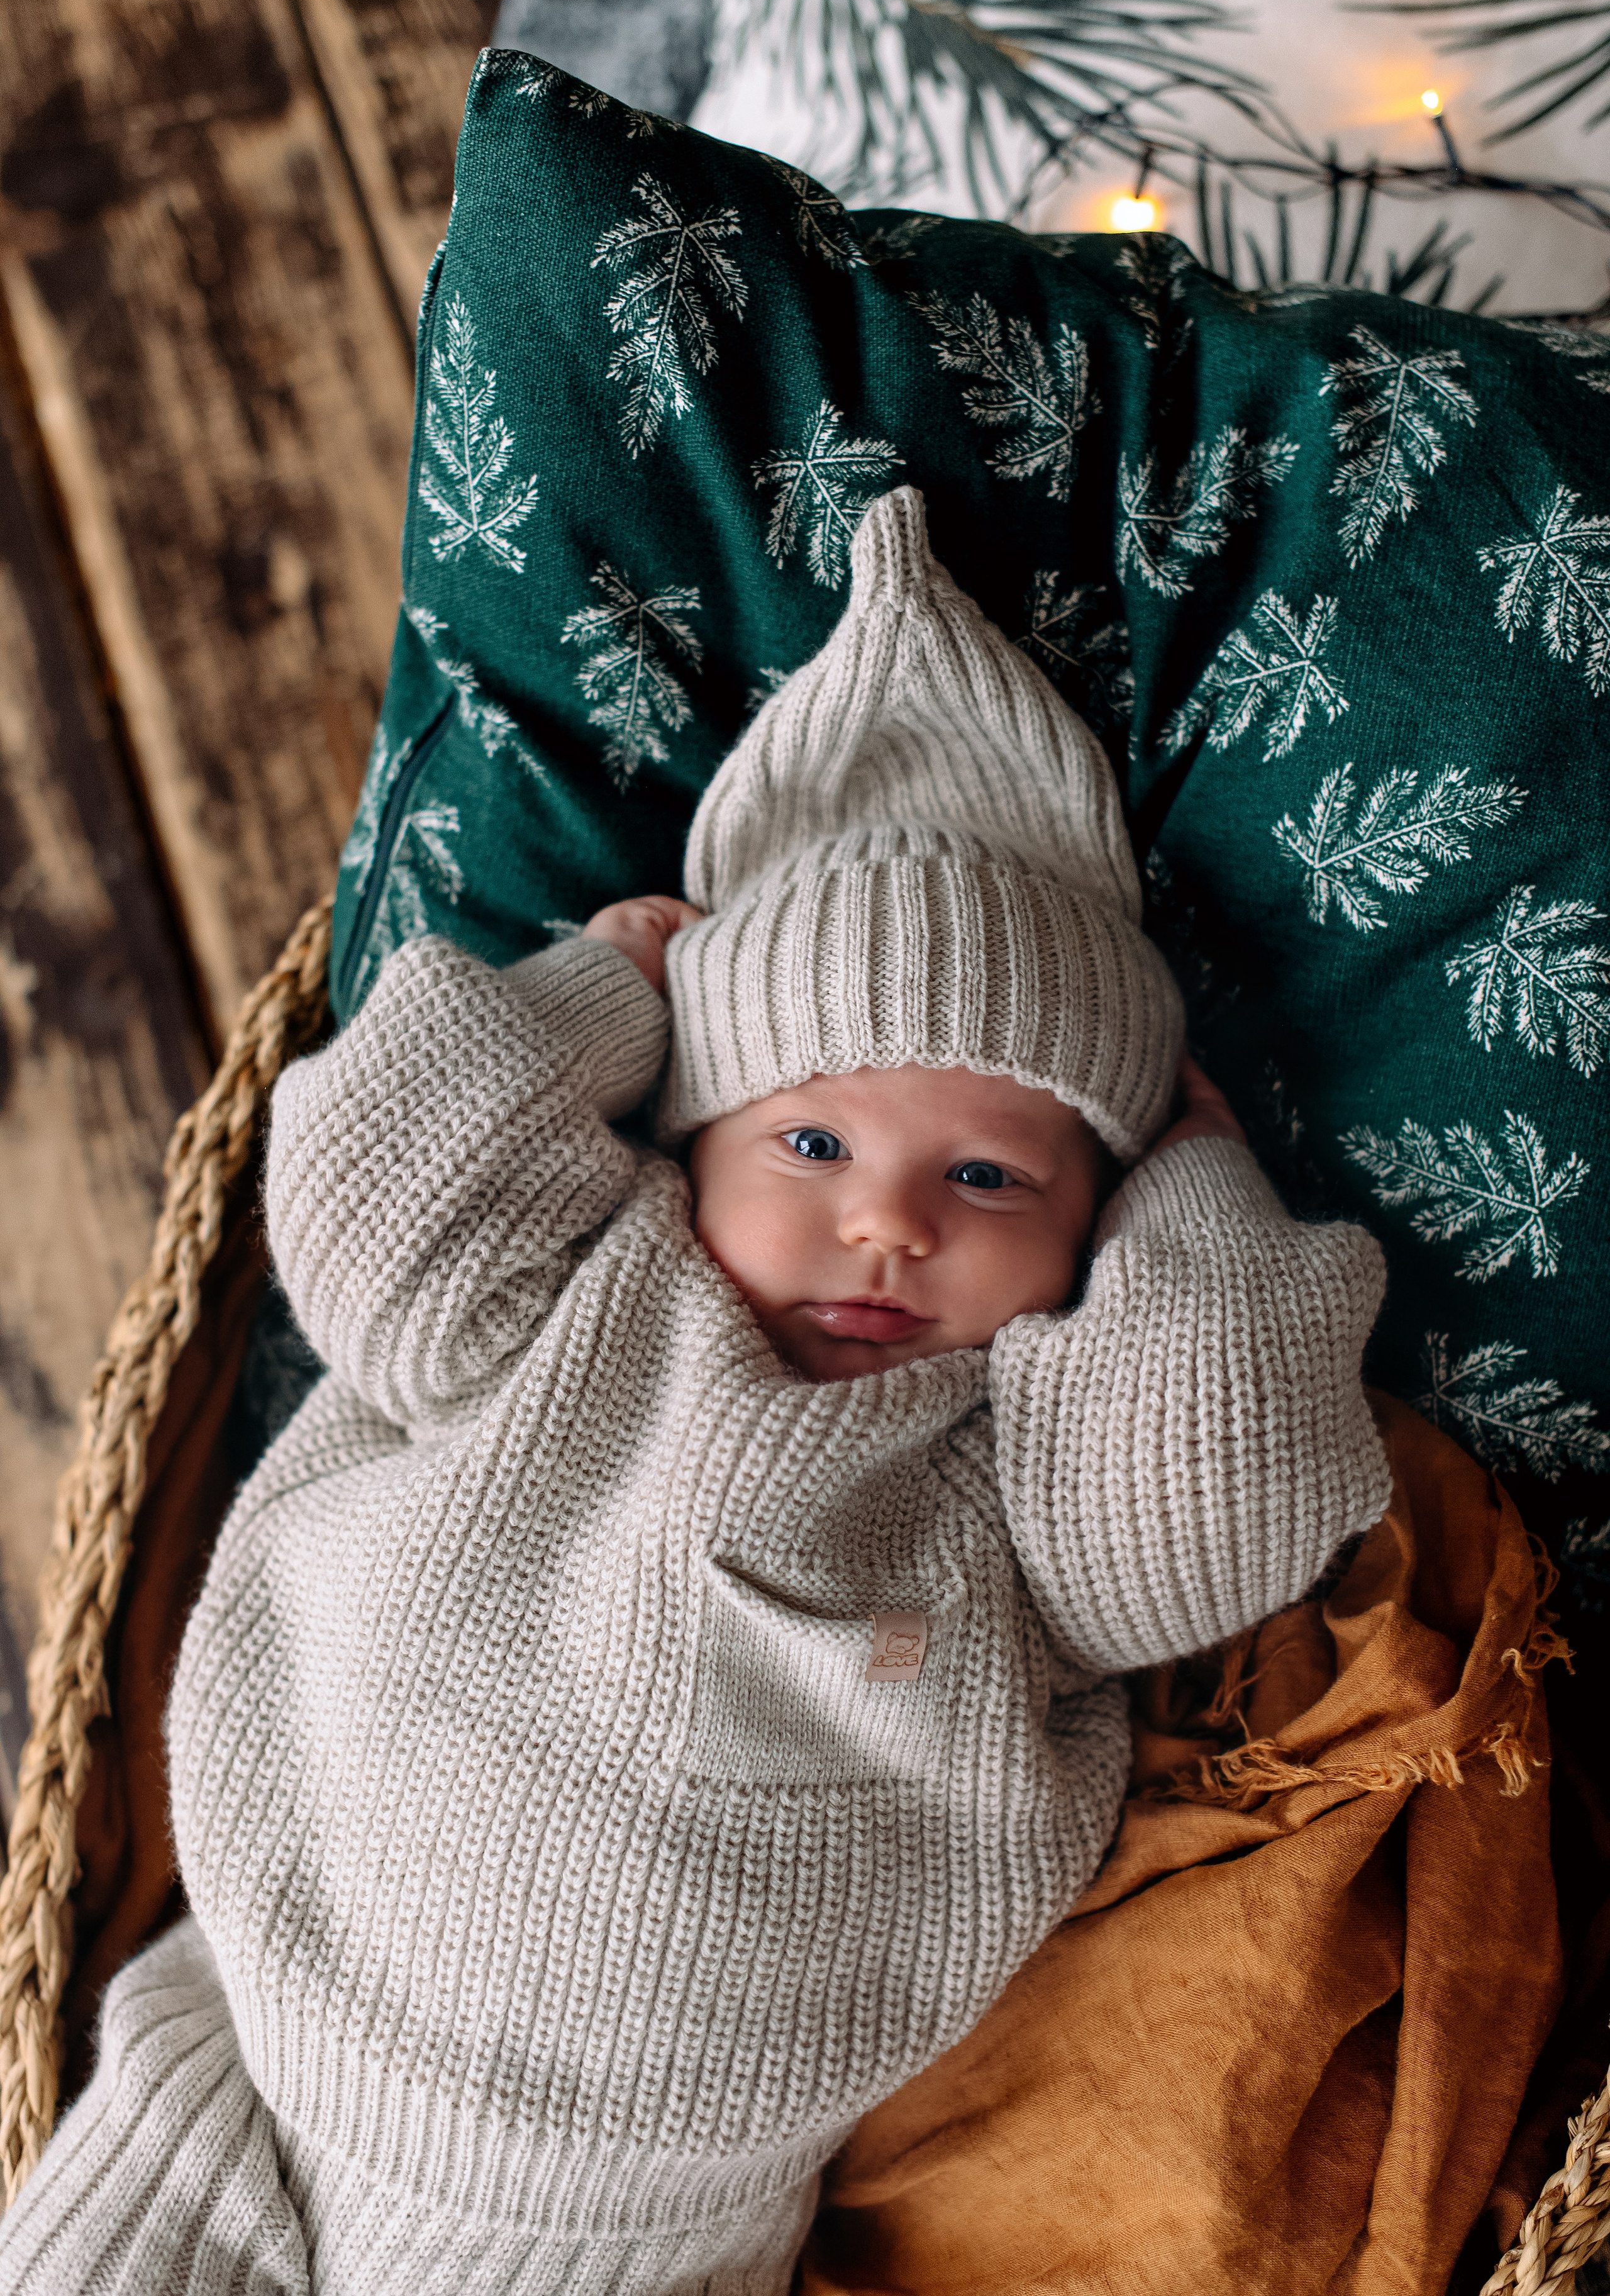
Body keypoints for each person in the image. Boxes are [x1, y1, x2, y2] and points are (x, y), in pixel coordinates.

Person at [0, 489, 1391, 2295]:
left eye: (989, 1180)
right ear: (691, 1133)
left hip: (654, 2220)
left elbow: (1227, 1489)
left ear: (1091, 1231)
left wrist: (1193, 1197)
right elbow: (359, 1197)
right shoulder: (570, 1283)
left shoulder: (1019, 1482)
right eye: (810, 1143)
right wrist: (608, 992)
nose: (886, 1222)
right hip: (257, 2032)